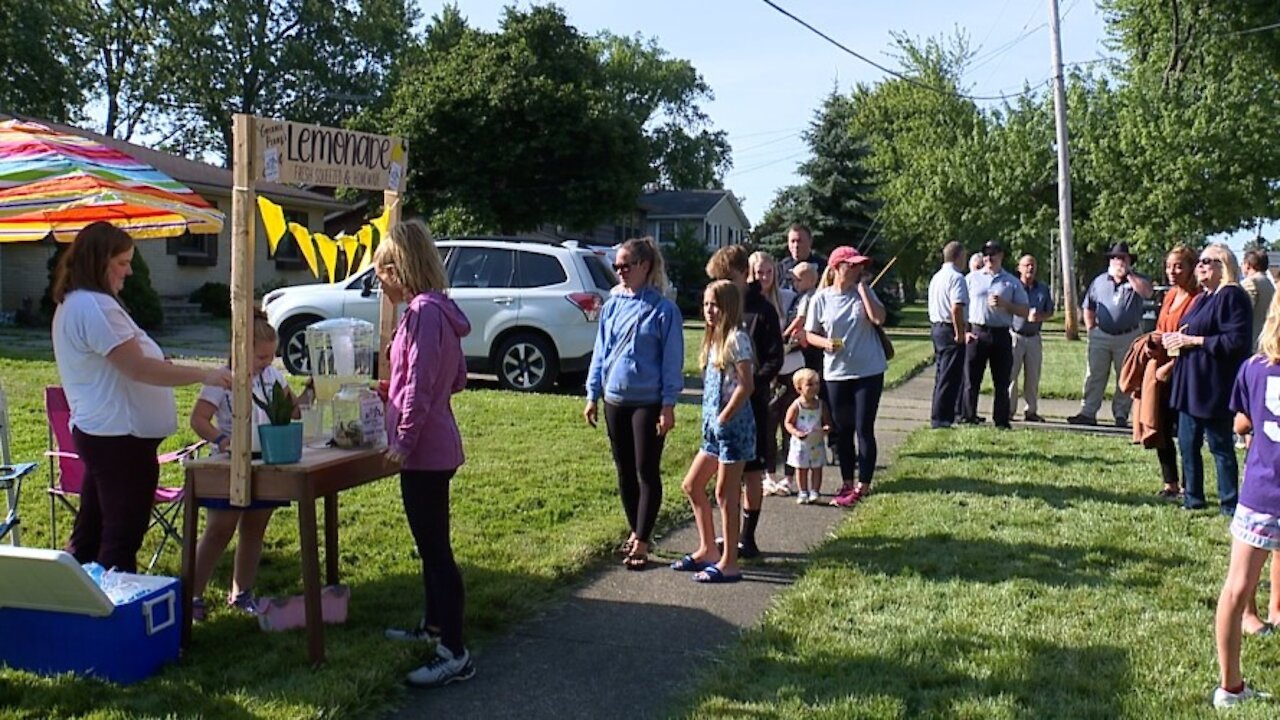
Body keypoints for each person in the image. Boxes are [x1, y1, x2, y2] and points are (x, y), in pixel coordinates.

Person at [51, 221, 232, 574]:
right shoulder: (95, 307)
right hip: (121, 441)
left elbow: (130, 365)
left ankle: (74, 606)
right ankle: (113, 616)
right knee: (121, 535)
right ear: (98, 261)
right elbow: (139, 369)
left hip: (107, 436)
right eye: (122, 262)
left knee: (91, 533)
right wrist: (204, 374)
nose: (129, 271)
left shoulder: (77, 304)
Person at [376, 220, 476, 688]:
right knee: (429, 546)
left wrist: (403, 440)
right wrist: (388, 391)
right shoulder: (440, 310)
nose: (379, 281)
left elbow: (418, 386)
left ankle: (453, 652)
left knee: (437, 552)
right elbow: (453, 378)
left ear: (399, 269)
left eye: (381, 271)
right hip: (437, 443)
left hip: (424, 451)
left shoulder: (420, 313)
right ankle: (433, 628)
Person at [188, 310, 301, 621]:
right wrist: (222, 439)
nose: (267, 362)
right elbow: (198, 418)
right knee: (220, 529)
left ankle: (242, 592)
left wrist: (311, 394)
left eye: (271, 356)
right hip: (229, 464)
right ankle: (192, 594)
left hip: (265, 461)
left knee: (255, 527)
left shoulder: (272, 376)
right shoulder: (223, 378)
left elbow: (293, 410)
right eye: (262, 356)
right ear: (242, 349)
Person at [584, 237, 683, 571]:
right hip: (614, 398)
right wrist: (591, 393)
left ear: (645, 266)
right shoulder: (611, 305)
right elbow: (601, 351)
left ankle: (642, 540)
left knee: (645, 469)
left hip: (648, 401)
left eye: (626, 265)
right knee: (624, 470)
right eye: (616, 266)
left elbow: (672, 362)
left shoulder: (663, 310)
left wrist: (668, 404)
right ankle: (635, 529)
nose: (620, 272)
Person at [1211, 288, 1280, 708]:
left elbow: (1240, 422)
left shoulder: (1253, 369)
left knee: (1236, 589)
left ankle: (1230, 685)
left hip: (1261, 490)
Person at [672, 280, 754, 584]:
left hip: (732, 429)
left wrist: (724, 416)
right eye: (706, 304)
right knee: (692, 486)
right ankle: (707, 549)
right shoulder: (714, 340)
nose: (709, 310)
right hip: (712, 432)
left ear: (729, 307)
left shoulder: (736, 338)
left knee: (725, 493)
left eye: (715, 304)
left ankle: (729, 561)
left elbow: (746, 385)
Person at [705, 246, 783, 558]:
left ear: (741, 274)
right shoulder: (722, 310)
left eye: (726, 277)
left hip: (753, 402)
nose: (720, 283)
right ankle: (730, 534)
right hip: (725, 405)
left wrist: (750, 384)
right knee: (728, 474)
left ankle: (748, 537)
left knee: (752, 471)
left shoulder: (760, 310)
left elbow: (774, 359)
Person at [1165, 243, 1252, 515]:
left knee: (1220, 446)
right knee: (1188, 444)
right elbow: (1187, 330)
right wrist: (1174, 342)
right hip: (1190, 383)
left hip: (1214, 384)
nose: (1200, 266)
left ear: (1223, 265)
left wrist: (1194, 340)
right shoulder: (1203, 297)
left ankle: (1229, 504)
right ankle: (1193, 498)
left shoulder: (1231, 296)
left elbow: (1235, 341)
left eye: (1207, 261)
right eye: (1200, 261)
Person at [804, 245, 887, 508]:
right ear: (838, 268)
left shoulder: (864, 292)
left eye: (860, 265)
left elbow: (878, 318)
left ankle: (863, 484)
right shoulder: (821, 299)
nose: (858, 269)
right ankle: (847, 481)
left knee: (864, 428)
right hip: (837, 373)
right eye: (852, 265)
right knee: (843, 430)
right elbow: (809, 333)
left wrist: (863, 288)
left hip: (869, 371)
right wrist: (825, 344)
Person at [1068, 242, 1154, 427]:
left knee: (1125, 376)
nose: (1119, 262)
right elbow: (1089, 306)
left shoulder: (1138, 280)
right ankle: (1088, 412)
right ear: (1110, 260)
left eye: (1123, 258)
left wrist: (1129, 275)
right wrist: (1091, 328)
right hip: (1101, 335)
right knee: (1094, 374)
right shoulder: (1099, 281)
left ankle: (1121, 414)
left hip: (1128, 336)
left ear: (1130, 260)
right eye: (1115, 258)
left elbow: (1147, 293)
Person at [1143, 246, 1199, 500]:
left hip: (1185, 371)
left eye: (1178, 266)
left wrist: (1171, 366)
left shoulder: (1197, 298)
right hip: (1162, 368)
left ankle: (1190, 485)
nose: (1172, 272)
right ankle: (1170, 483)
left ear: (1191, 268)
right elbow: (1161, 328)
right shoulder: (1170, 295)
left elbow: (1188, 336)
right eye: (1169, 266)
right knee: (1161, 426)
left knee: (1186, 432)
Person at [961, 241, 1029, 429]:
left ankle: (1001, 419)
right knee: (971, 379)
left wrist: (1006, 304)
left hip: (1000, 334)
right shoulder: (971, 279)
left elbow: (1024, 310)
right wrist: (965, 331)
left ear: (1001, 256)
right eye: (986, 254)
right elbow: (961, 306)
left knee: (1002, 380)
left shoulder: (1011, 282)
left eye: (993, 254)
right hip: (977, 332)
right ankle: (968, 415)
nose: (989, 258)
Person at [749, 251, 795, 496]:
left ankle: (788, 477)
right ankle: (768, 475)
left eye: (769, 272)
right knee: (766, 426)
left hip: (788, 369)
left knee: (789, 423)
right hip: (761, 373)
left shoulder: (787, 299)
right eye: (759, 272)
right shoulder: (748, 302)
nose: (765, 277)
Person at [1009, 254, 1055, 423]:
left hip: (1034, 337)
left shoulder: (1042, 288)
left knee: (1033, 376)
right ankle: (1009, 410)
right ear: (1019, 268)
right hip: (1015, 335)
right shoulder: (1013, 286)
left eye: (1033, 265)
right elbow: (1005, 308)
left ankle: (1031, 411)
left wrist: (1040, 317)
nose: (1030, 268)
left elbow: (1050, 311)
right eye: (1027, 265)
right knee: (1011, 375)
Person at [927, 241, 968, 429]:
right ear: (958, 256)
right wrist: (960, 333)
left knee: (941, 373)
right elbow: (956, 307)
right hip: (949, 328)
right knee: (950, 375)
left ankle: (939, 414)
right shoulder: (957, 278)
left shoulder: (937, 277)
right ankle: (942, 418)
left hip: (936, 327)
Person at [783, 368, 826, 504]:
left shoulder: (821, 404)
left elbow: (827, 422)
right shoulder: (796, 406)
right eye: (810, 385)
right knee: (801, 468)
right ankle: (803, 491)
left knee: (817, 468)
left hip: (816, 442)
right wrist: (796, 432)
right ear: (799, 388)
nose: (814, 388)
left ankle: (815, 491)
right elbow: (788, 422)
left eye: (817, 384)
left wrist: (825, 429)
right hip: (801, 443)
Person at [1241, 250, 1274, 351]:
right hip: (1266, 342)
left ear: (1247, 265)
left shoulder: (1250, 283)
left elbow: (1242, 312)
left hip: (1251, 343)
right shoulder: (1270, 284)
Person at [779, 223, 828, 292]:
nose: (796, 245)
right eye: (792, 241)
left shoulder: (822, 266)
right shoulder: (782, 267)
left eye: (799, 241)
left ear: (810, 242)